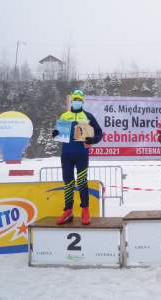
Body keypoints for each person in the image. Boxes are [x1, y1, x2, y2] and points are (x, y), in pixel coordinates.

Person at [52, 89, 103, 225]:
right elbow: (58, 134)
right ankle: (68, 211)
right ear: (71, 100)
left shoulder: (88, 116)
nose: (77, 102)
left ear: (83, 101)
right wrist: (55, 133)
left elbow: (99, 133)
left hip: (81, 154)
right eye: (75, 99)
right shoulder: (64, 116)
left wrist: (92, 140)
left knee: (82, 182)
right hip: (66, 154)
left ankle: (85, 210)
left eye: (79, 100)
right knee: (68, 182)